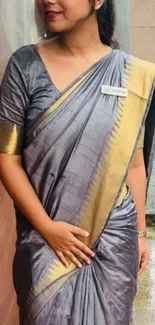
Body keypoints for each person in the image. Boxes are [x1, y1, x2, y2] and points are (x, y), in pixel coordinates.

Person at [0, 0, 154, 324]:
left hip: (114, 242)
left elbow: (135, 164)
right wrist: (47, 228)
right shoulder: (24, 66)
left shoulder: (131, 73)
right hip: (46, 243)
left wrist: (140, 234)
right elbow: (7, 157)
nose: (47, 1)